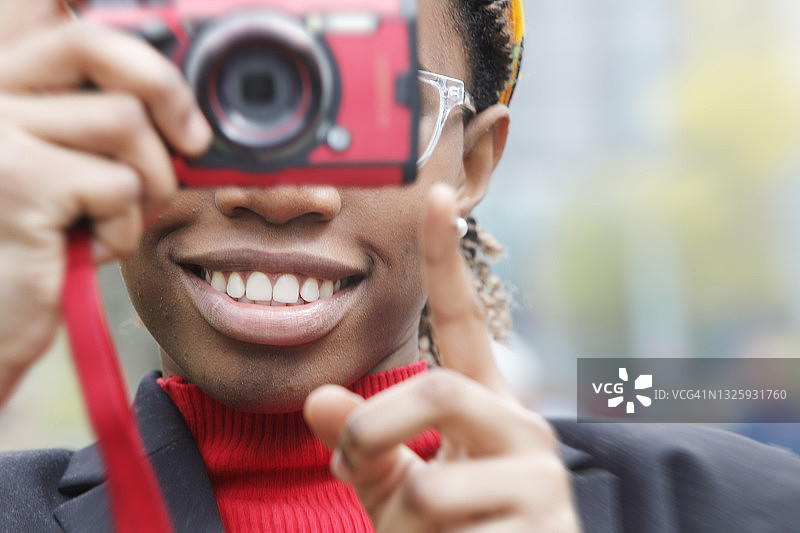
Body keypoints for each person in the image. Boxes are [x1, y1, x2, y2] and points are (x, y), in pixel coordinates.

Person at [0, 1, 798, 532]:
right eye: (222, 91)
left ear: (473, 161)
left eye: (362, 105)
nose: (286, 190)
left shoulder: (741, 509)